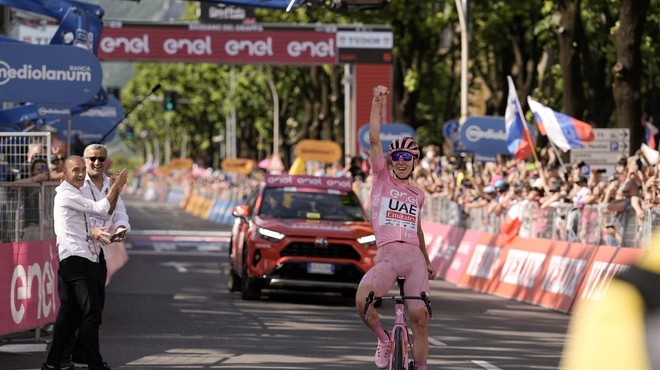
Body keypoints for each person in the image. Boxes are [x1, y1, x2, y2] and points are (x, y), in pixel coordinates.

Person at [355, 85, 435, 370]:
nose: (402, 162)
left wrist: (426, 261)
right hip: (387, 257)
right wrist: (376, 101)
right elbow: (375, 139)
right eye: (397, 158)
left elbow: (419, 230)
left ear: (414, 162)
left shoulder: (418, 195)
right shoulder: (380, 180)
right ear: (391, 161)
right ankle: (384, 340)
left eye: (407, 158)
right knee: (363, 300)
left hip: (413, 259)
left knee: (420, 319)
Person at [42, 156, 128, 370]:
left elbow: (97, 217)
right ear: (65, 173)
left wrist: (97, 233)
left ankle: (53, 363)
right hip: (76, 259)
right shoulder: (66, 194)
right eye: (76, 171)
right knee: (92, 313)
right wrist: (117, 186)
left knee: (72, 314)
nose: (81, 174)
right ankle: (93, 363)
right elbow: (100, 209)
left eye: (83, 170)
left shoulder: (77, 193)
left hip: (84, 257)